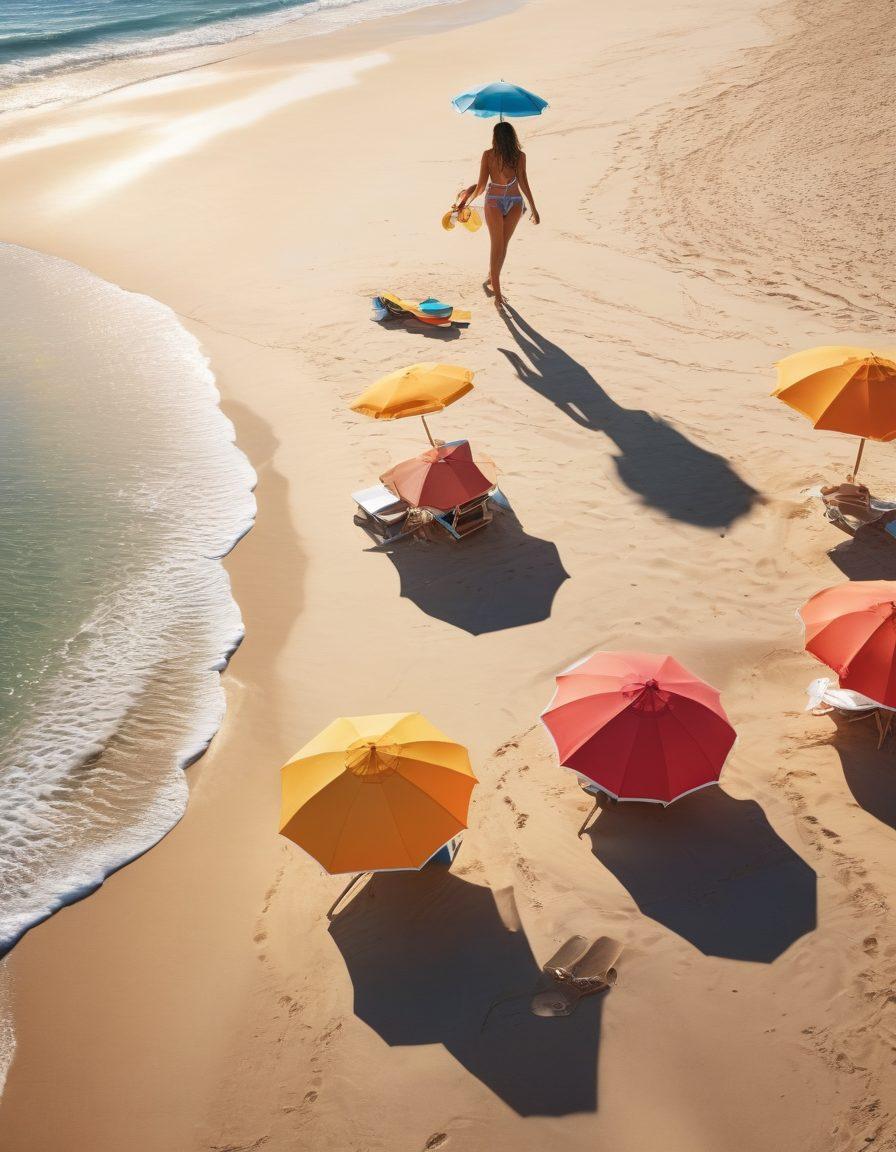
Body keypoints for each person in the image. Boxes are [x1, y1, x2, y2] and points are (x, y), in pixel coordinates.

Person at [457, 122, 539, 309]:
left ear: (496, 137)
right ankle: (498, 295)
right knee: (499, 246)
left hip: (501, 201)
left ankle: (492, 277)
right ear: (512, 136)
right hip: (510, 201)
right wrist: (533, 208)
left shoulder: (502, 156)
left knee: (501, 246)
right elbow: (523, 183)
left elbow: (480, 187)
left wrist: (465, 202)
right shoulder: (509, 156)